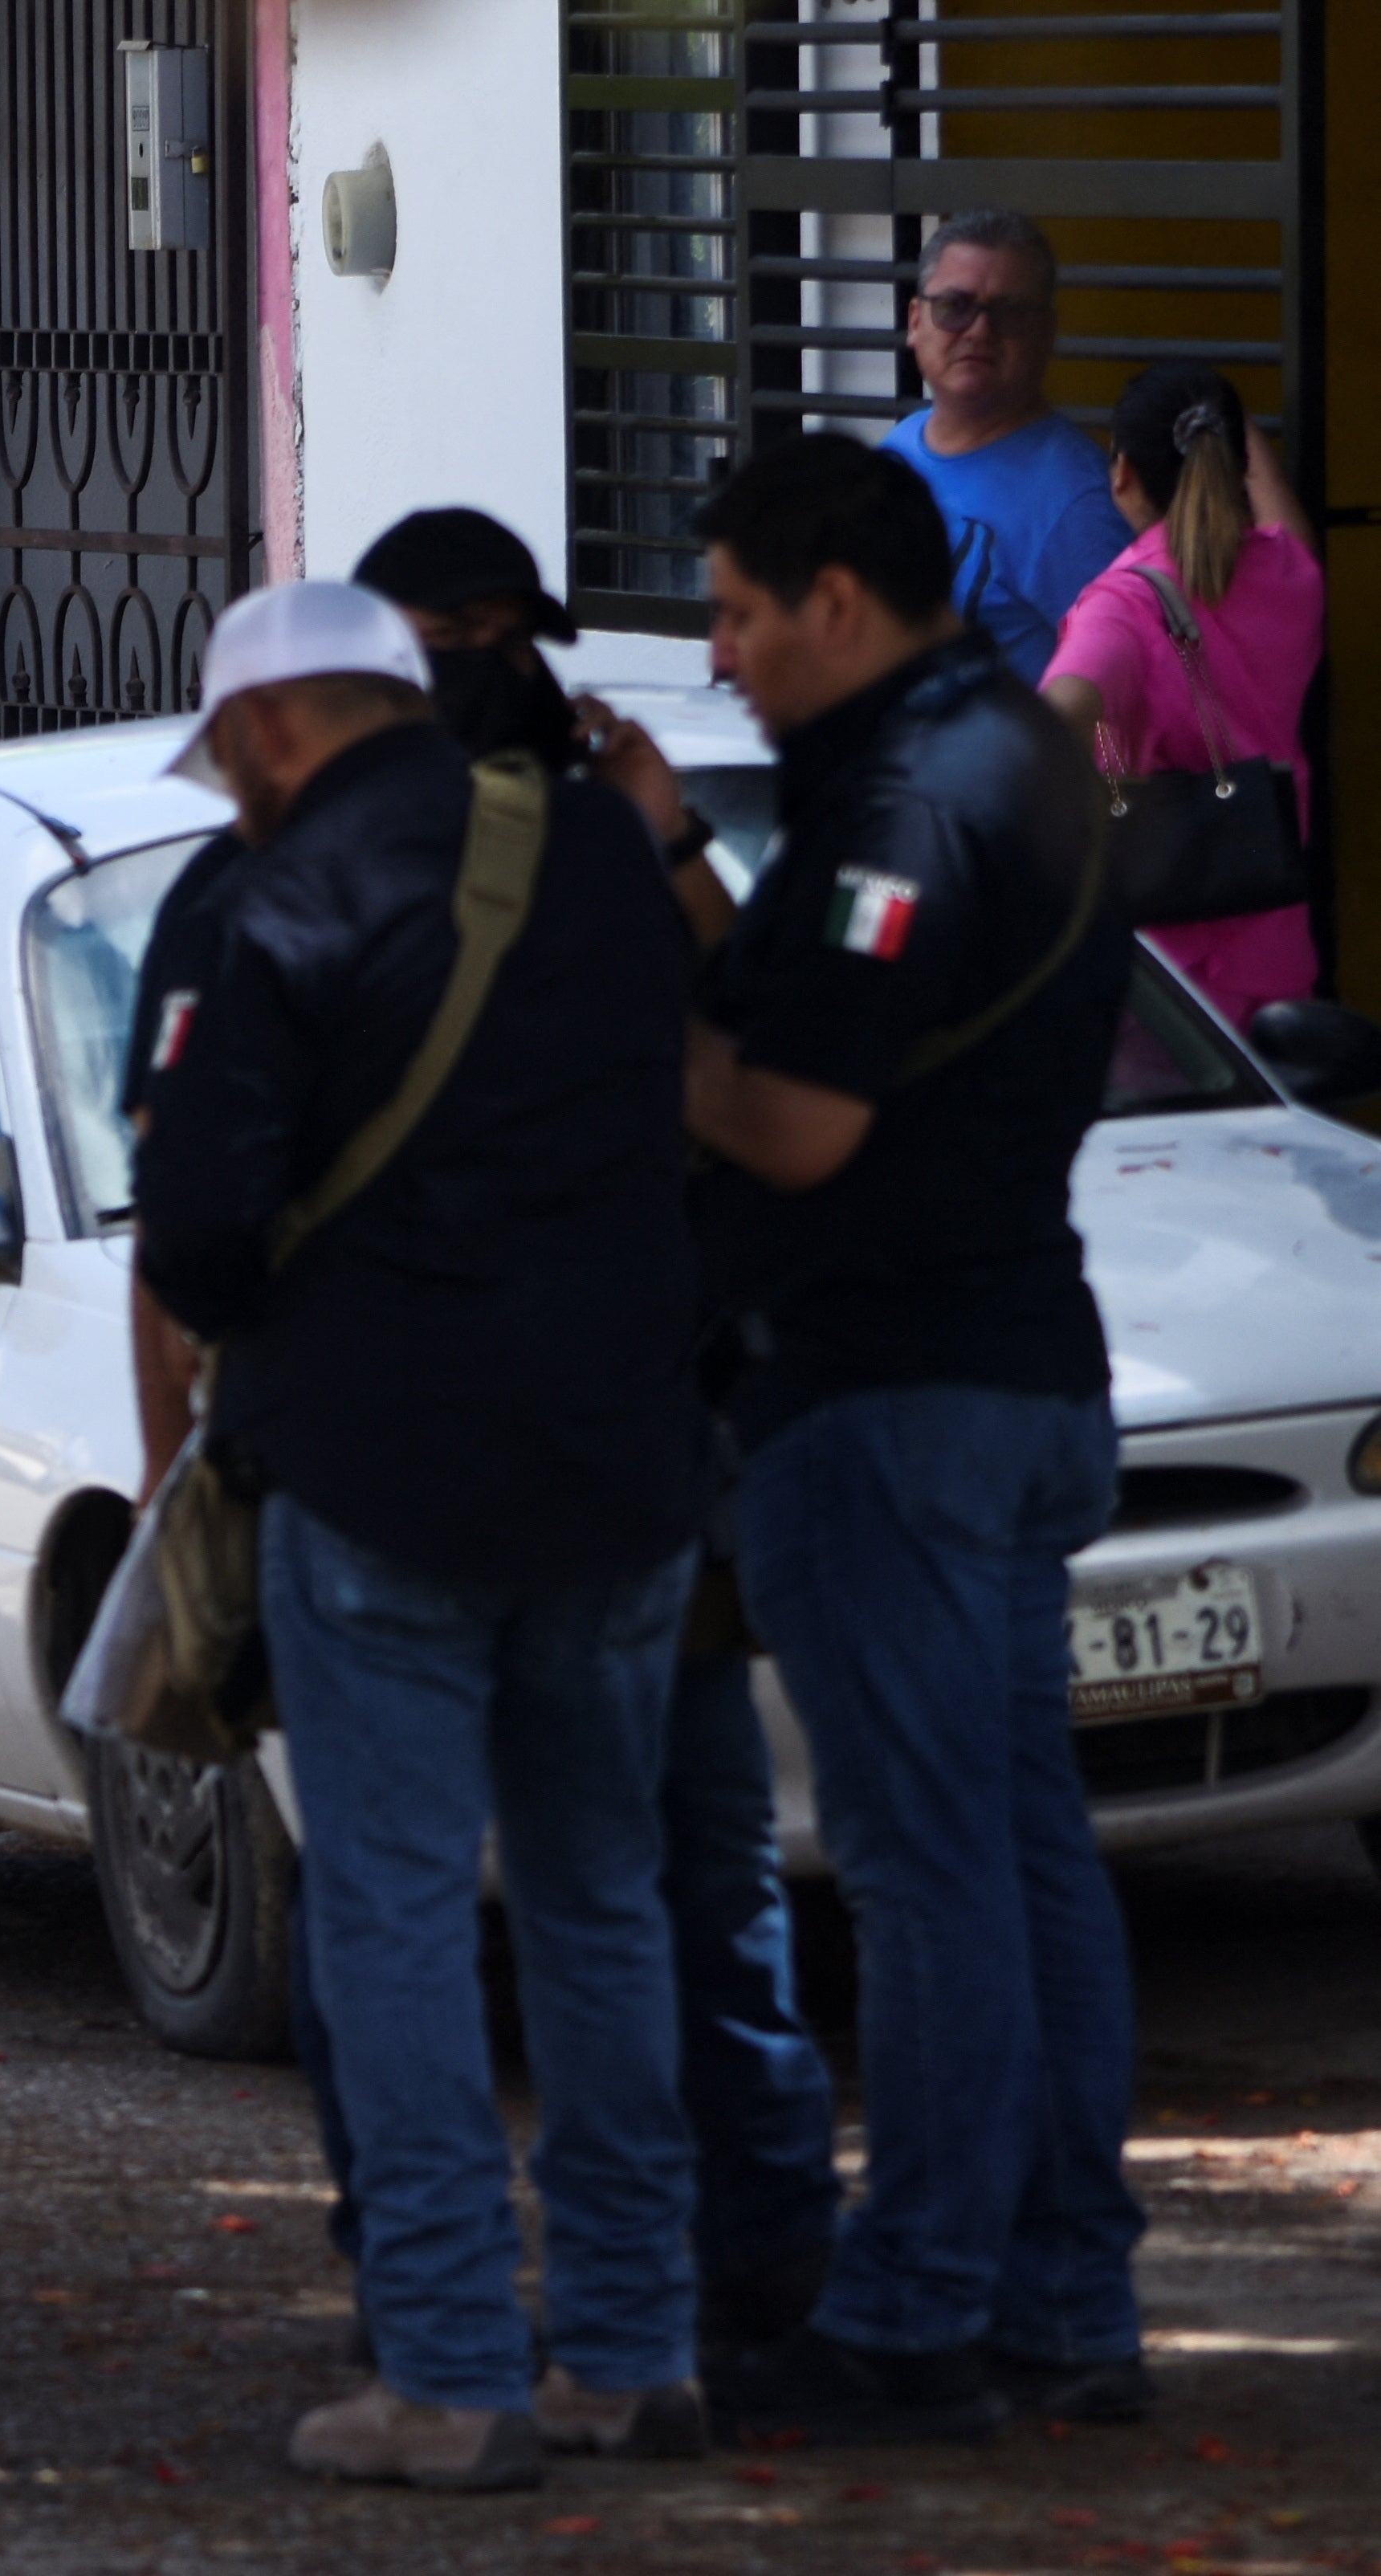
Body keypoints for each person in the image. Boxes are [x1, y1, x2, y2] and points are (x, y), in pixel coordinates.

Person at [130, 580, 707, 2492]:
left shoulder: (270, 904)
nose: (227, 792)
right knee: (601, 1906)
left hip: (378, 1469)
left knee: (384, 1913)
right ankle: (630, 2350)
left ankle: (449, 2370)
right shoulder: (604, 864)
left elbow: (197, 1228)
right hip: (622, 1460)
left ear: (276, 729)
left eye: (226, 754)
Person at [684, 433, 1147, 2445]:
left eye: (730, 614)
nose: (715, 661)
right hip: (1018, 1368)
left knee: (933, 1870)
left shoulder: (905, 802)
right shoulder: (1020, 755)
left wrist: (634, 1015)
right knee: (1027, 1861)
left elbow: (800, 1118)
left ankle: (914, 2314)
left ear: (834, 605)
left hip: (889, 1401)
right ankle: (1060, 2305)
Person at [346, 507, 848, 2350]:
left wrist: (667, 844)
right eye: (465, 635)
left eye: (511, 635)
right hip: (570, 1447)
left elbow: (747, 1037)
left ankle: (709, 2268)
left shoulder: (587, 859)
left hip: (617, 1445)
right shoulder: (365, 860)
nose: (504, 670)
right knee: (565, 1890)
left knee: (646, 1880)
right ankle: (539, 2294)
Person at [1042, 362, 1327, 1025]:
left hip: (1166, 993)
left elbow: (1061, 720)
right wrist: (1224, 421)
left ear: (1122, 475)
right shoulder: (1291, 574)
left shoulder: (1121, 607)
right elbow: (1287, 519)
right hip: (1281, 969)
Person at [881, 211, 1134, 683]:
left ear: (1046, 333)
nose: (979, 330)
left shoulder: (1079, 506)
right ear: (916, 321)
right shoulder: (895, 450)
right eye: (955, 306)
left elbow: (1121, 701)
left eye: (1010, 313)